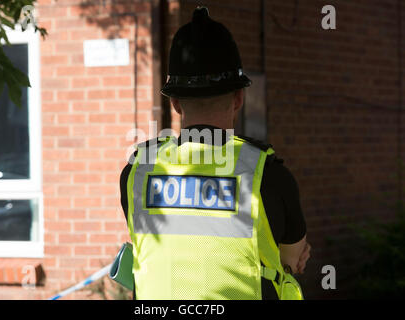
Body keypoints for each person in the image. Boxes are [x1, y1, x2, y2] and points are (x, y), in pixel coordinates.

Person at [119, 6, 310, 300]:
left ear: (176, 104)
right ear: (238, 98)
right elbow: (291, 260)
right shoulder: (270, 176)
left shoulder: (137, 170)